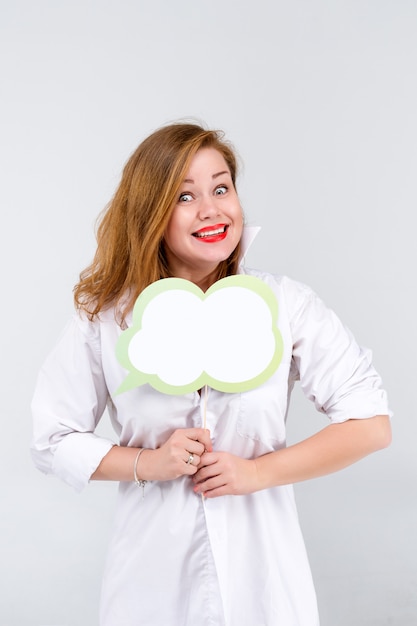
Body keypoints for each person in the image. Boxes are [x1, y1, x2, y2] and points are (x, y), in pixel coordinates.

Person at [31, 121, 392, 626]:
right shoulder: (107, 320)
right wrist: (148, 463)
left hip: (265, 584)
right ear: (151, 212)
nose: (211, 210)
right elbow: (51, 440)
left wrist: (256, 473)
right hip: (151, 585)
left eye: (221, 188)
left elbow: (372, 424)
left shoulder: (285, 304)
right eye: (184, 196)